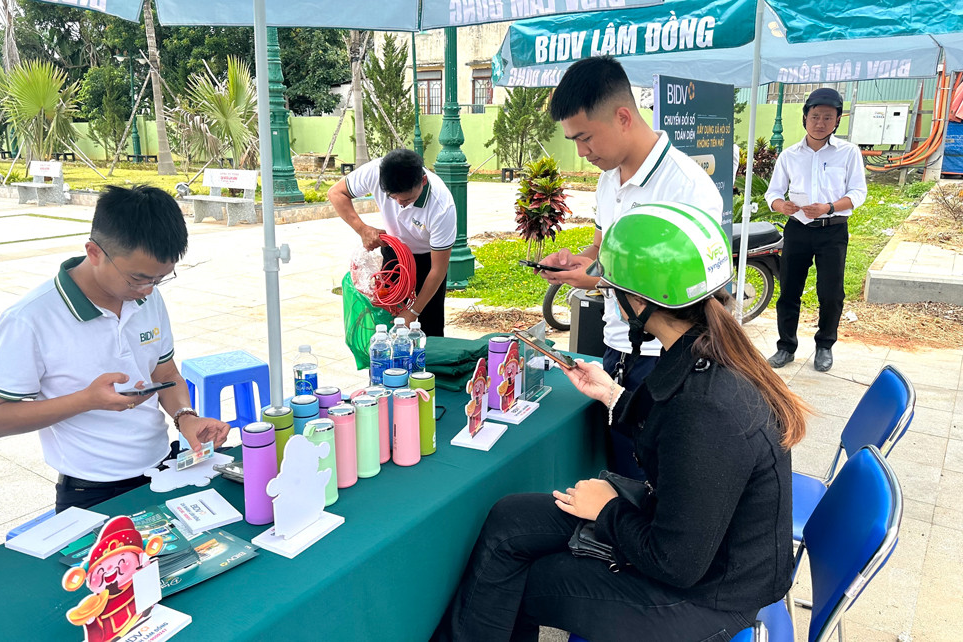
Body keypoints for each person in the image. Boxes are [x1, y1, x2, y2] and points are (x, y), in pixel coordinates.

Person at [433, 204, 807, 642]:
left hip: (707, 598)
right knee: (510, 518)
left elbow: (677, 563)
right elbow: (675, 437)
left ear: (639, 301)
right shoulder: (703, 352)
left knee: (515, 581)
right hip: (690, 537)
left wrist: (607, 511)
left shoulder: (708, 409)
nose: (610, 300)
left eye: (612, 292)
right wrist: (613, 394)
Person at [0, 186, 230, 512]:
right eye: (138, 278)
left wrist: (185, 417)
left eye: (160, 278)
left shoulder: (147, 297)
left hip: (161, 468)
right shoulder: (30, 320)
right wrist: (87, 400)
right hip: (90, 492)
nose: (148, 289)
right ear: (94, 252)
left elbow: (164, 372)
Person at [535, 56, 722, 477]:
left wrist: (599, 279)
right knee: (616, 465)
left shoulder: (688, 189)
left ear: (623, 117)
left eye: (585, 138)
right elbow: (602, 251)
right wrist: (575, 262)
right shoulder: (609, 178)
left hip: (667, 355)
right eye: (574, 142)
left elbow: (692, 293)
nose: (582, 153)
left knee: (652, 476)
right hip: (617, 345)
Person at [764, 88, 867, 372]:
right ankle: (785, 347)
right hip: (798, 229)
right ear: (805, 118)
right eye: (815, 116)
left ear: (837, 120)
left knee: (830, 292)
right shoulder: (789, 155)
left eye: (827, 117)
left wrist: (830, 207)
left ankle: (824, 346)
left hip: (832, 230)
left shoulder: (848, 152)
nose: (820, 122)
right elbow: (772, 193)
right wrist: (779, 205)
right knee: (789, 291)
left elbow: (858, 192)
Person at [328, 148, 457, 337]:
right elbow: (336, 193)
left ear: (422, 181)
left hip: (427, 261)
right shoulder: (374, 171)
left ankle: (428, 364)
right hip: (393, 254)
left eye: (407, 199)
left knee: (429, 328)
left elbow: (438, 270)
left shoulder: (441, 207)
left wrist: (412, 312)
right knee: (387, 322)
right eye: (392, 197)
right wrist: (362, 229)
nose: (399, 204)